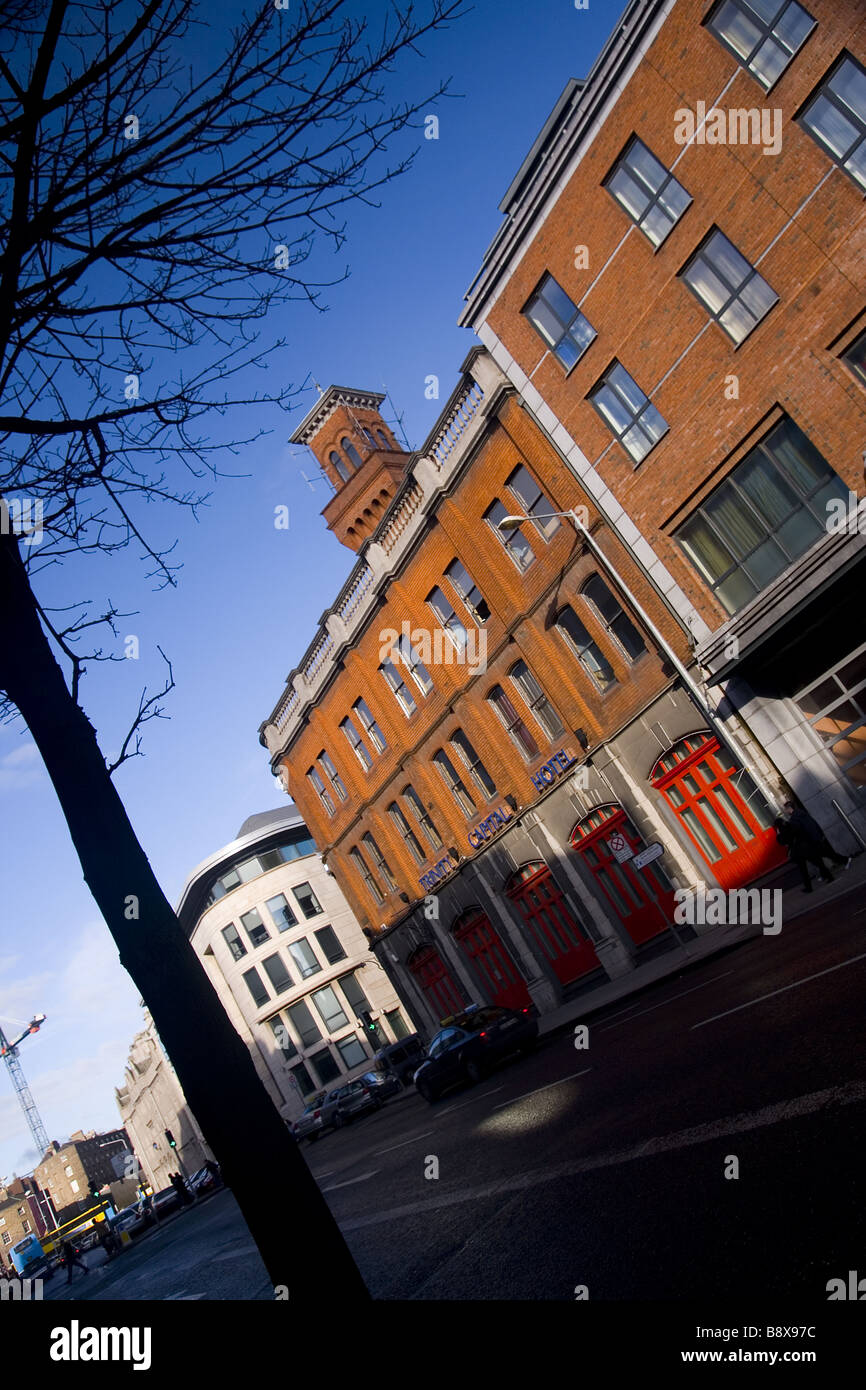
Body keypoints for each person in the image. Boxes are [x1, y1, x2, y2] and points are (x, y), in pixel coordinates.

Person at [774, 803, 849, 893]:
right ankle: (829, 875)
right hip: (806, 847)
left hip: (799, 851)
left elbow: (783, 842)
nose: (785, 811)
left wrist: (778, 834)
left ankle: (810, 886)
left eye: (786, 809)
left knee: (805, 870)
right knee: (819, 861)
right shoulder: (792, 823)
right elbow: (802, 830)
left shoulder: (789, 825)